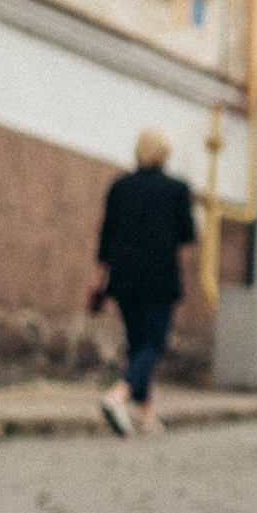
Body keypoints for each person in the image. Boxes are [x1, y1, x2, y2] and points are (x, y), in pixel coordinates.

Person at [92, 129, 197, 438]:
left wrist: (97, 277)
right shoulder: (176, 189)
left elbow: (106, 237)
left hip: (123, 278)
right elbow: (188, 235)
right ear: (164, 155)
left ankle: (146, 416)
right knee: (154, 344)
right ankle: (118, 395)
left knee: (138, 344)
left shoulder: (119, 187)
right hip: (159, 278)